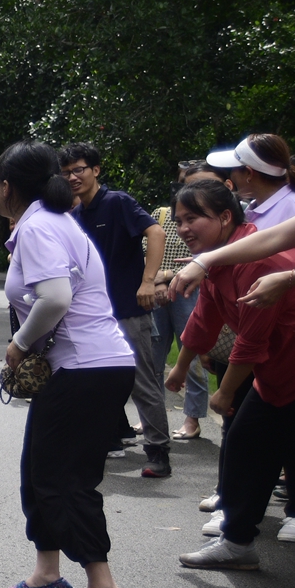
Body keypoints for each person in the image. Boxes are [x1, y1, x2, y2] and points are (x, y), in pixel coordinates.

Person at [0, 142, 138, 588]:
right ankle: (47, 575)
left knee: (64, 478)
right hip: (84, 366)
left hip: (86, 367)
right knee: (38, 470)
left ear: (5, 186)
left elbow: (55, 298)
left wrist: (18, 344)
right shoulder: (52, 221)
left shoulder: (38, 227)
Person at [166, 180, 295, 569]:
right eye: (179, 221)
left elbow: (251, 341)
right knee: (250, 446)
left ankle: (262, 529)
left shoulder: (258, 262)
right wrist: (180, 366)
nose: (183, 229)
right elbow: (205, 318)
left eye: (192, 218)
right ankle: (237, 540)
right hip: (280, 374)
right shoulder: (219, 260)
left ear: (225, 217)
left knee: (265, 444)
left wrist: (225, 392)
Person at [60, 142, 171, 479]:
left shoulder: (117, 202)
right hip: (93, 315)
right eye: (66, 173)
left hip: (128, 309)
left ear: (95, 170)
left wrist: (148, 281)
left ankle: (158, 451)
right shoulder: (75, 216)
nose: (73, 177)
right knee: (96, 382)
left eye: (79, 169)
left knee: (142, 382)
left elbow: (155, 232)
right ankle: (105, 440)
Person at [153, 165, 214, 440]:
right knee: (151, 357)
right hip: (157, 292)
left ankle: (192, 418)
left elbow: (204, 259)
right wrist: (156, 282)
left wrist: (165, 276)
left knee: (192, 355)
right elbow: (146, 250)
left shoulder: (209, 219)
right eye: (184, 183)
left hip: (191, 291)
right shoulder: (161, 215)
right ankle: (151, 415)